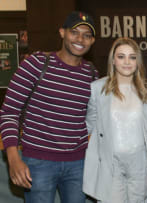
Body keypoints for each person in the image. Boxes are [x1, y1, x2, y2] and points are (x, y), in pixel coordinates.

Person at [0, 11, 97, 203]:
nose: (80, 39)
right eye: (75, 32)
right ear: (62, 32)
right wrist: (13, 158)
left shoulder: (91, 73)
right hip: (38, 162)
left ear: (92, 41)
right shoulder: (35, 64)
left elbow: (90, 119)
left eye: (87, 35)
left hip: (78, 164)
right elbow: (9, 113)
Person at [82, 37, 147, 203]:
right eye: (121, 56)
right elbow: (89, 125)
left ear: (138, 61)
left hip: (139, 162)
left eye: (132, 57)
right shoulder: (97, 89)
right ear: (113, 60)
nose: (127, 62)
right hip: (111, 162)